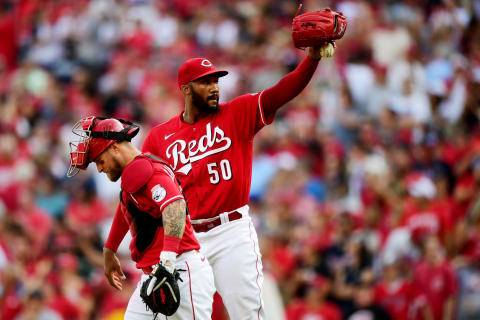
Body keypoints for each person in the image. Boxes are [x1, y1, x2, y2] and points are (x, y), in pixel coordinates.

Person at [105, 44, 332, 319]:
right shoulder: (159, 137)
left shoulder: (238, 112)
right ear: (186, 89)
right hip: (185, 239)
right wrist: (110, 247)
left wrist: (312, 58)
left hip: (230, 233)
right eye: (206, 82)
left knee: (247, 313)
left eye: (216, 81)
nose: (215, 87)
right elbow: (132, 199)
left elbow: (283, 91)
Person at [66, 116, 215, 320]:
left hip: (180, 268)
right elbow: (125, 206)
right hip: (155, 275)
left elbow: (175, 206)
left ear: (115, 148)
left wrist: (168, 261)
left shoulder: (149, 170)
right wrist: (109, 249)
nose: (99, 169)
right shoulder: (134, 177)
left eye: (100, 161)